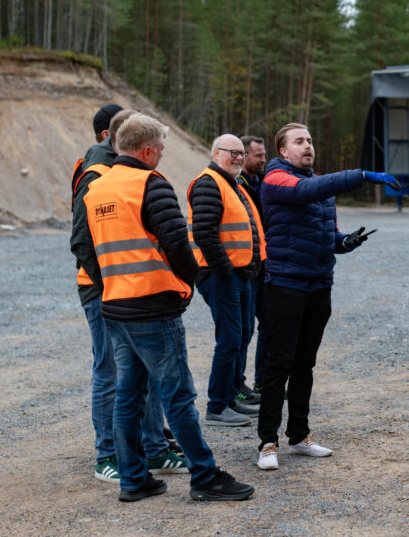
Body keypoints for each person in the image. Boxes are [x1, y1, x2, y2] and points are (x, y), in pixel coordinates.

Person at [76, 113, 255, 502]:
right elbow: (178, 244)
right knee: (177, 395)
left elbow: (87, 251)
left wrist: (113, 287)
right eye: (160, 149)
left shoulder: (96, 189)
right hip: (154, 306)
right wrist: (187, 285)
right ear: (147, 150)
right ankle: (205, 476)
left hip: (116, 306)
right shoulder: (149, 184)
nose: (161, 156)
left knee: (128, 395)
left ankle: (134, 479)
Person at [254, 122, 399, 471]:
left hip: (319, 286)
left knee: (305, 364)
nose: (308, 146)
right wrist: (362, 174)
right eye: (299, 141)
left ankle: (299, 436)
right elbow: (306, 192)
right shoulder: (277, 179)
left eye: (310, 140)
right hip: (285, 286)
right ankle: (267, 443)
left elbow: (327, 234)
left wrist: (344, 242)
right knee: (278, 365)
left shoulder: (318, 185)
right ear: (283, 151)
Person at [70, 106, 185, 485]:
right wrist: (112, 287)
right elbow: (81, 242)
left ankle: (153, 449)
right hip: (105, 292)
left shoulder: (124, 173)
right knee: (111, 372)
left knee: (144, 374)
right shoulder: (96, 175)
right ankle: (108, 455)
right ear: (112, 136)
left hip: (131, 291)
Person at [188, 134, 265, 427]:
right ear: (216, 153)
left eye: (241, 153)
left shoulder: (233, 184)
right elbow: (205, 233)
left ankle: (232, 396)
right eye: (232, 152)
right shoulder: (208, 182)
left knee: (242, 334)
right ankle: (217, 407)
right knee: (230, 339)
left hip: (239, 274)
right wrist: (225, 269)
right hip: (223, 275)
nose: (238, 157)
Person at [236, 135, 267, 400]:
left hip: (263, 265)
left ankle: (262, 382)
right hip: (247, 268)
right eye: (259, 155)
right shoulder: (238, 185)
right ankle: (238, 388)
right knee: (243, 331)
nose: (263, 160)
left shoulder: (261, 182)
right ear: (244, 156)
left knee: (267, 324)